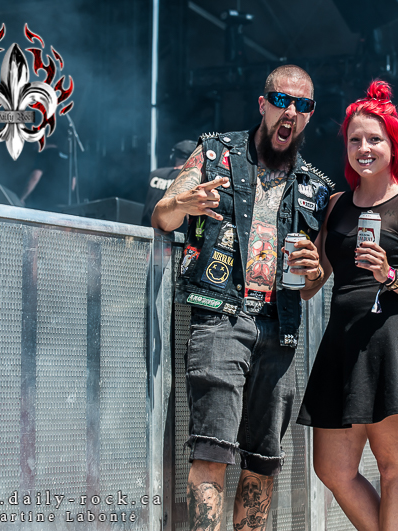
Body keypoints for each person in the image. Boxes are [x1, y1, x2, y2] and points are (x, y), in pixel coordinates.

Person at [152, 65, 333, 531]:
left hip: (280, 329)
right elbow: (162, 217)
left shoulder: (316, 187)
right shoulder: (215, 154)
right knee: (211, 450)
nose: (290, 111)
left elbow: (311, 286)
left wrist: (315, 273)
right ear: (263, 104)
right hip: (221, 319)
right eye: (281, 100)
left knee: (263, 460)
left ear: (310, 115)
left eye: (303, 105)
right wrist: (182, 204)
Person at [297, 80, 398, 531]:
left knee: (395, 467)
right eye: (354, 140)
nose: (363, 149)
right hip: (341, 344)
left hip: (394, 341)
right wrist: (306, 268)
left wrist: (392, 276)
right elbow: (311, 287)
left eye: (374, 139)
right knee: (331, 467)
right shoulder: (335, 206)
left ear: (393, 144)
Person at [140, 140, 197, 227]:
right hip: (173, 233)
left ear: (173, 157)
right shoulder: (191, 178)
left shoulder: (154, 173)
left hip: (146, 230)